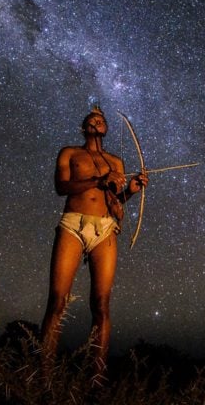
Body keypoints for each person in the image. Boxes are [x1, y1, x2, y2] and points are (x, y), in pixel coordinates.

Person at [41, 107, 148, 379]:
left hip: (105, 229)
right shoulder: (69, 153)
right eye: (91, 119)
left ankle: (96, 381)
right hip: (73, 224)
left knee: (101, 305)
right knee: (57, 301)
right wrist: (99, 179)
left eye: (101, 119)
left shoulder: (117, 162)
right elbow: (61, 187)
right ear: (84, 127)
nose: (96, 120)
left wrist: (131, 191)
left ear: (106, 128)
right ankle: (43, 377)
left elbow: (114, 202)